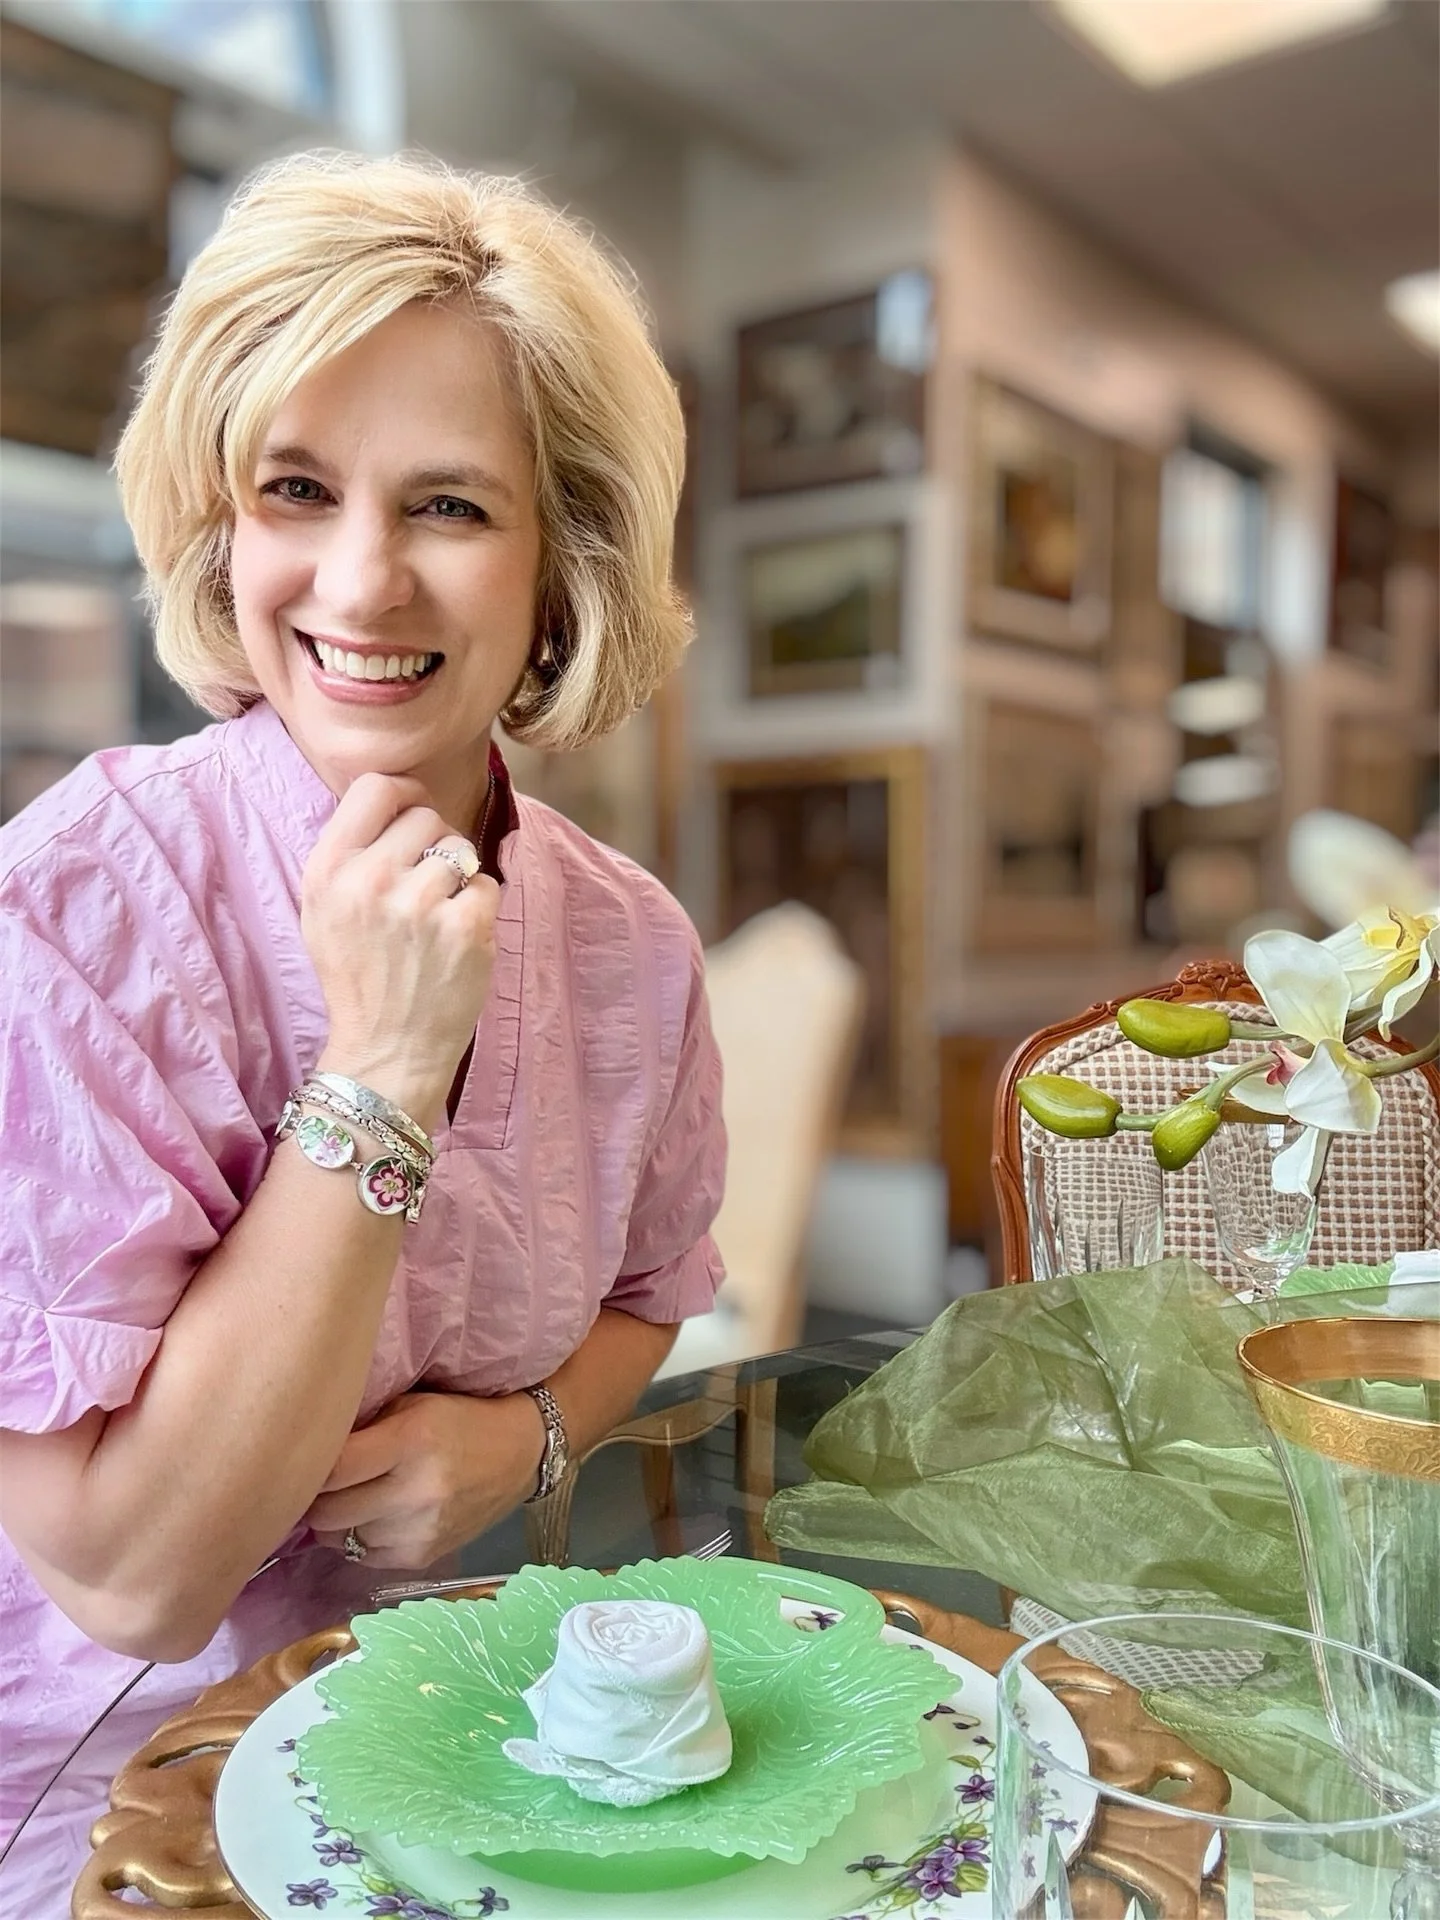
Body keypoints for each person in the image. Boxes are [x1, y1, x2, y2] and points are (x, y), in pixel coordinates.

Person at [0, 152, 726, 1888]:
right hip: (107, 1822)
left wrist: (526, 1438)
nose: (360, 582)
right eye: (296, 490)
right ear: (221, 521)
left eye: (453, 507)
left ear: (568, 562)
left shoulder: (635, 947)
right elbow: (130, 1577)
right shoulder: (75, 911)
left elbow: (650, 1304)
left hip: (488, 1740)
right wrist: (387, 1067)